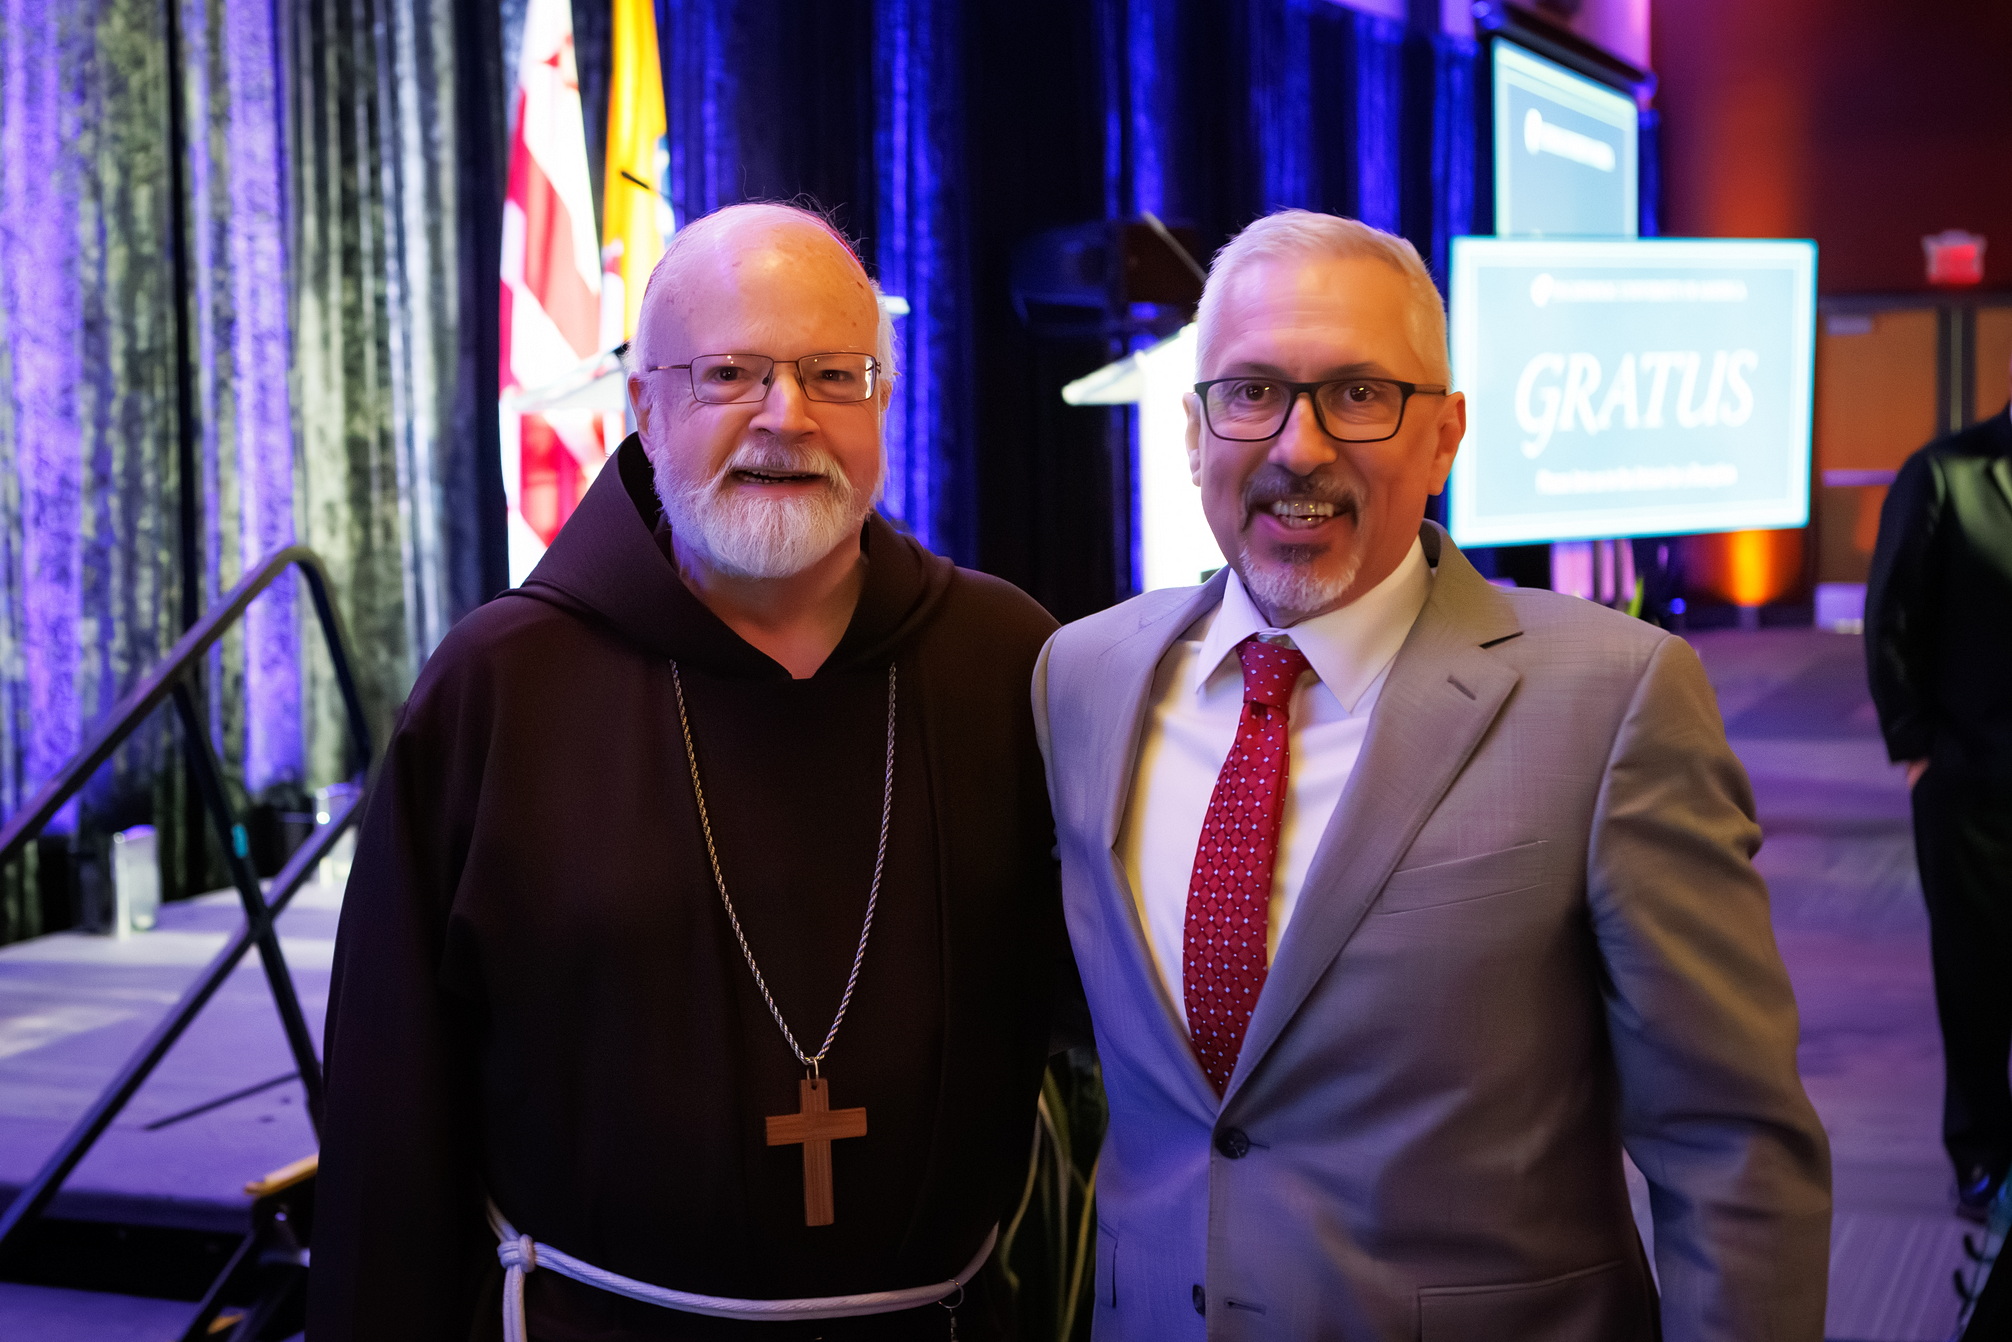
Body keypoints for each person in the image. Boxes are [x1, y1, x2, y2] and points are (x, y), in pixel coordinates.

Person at [1034, 209, 1832, 1339]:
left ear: (1445, 434)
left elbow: (1729, 1147)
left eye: (1357, 394)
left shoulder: (1612, 699)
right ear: (1193, 430)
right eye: (1251, 391)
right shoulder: (1081, 676)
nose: (1297, 447)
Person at [308, 203, 1066, 1341]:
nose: (785, 417)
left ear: (885, 401)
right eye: (727, 374)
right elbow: (389, 1111)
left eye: (833, 374)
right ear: (642, 408)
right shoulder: (501, 686)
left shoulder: (1004, 661)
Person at [1865, 371, 2012, 1224]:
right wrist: (1918, 752)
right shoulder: (1948, 472)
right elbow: (1890, 616)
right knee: (1977, 977)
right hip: (1971, 784)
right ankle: (1983, 1154)